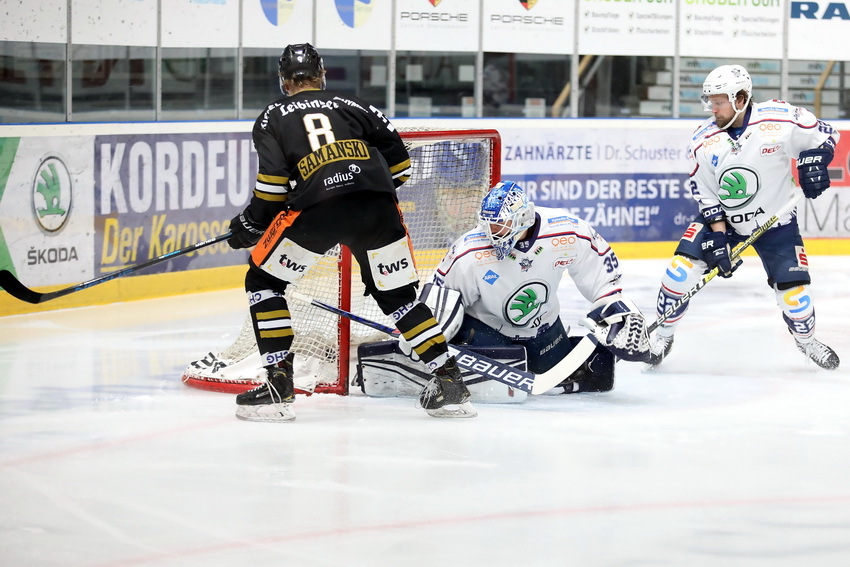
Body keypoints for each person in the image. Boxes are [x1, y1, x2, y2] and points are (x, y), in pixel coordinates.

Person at [226, 43, 475, 421]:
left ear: (283, 81)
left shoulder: (272, 116)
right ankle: (449, 380)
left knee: (263, 282)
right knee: (400, 298)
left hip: (319, 211)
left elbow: (273, 188)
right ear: (322, 76)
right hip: (377, 208)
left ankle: (278, 386)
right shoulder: (355, 105)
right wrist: (362, 189)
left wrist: (250, 224)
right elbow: (401, 167)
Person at [373, 180, 651, 397]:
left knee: (571, 377)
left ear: (523, 218)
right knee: (490, 385)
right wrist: (423, 335)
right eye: (489, 224)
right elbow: (441, 295)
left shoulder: (566, 232)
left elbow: (599, 268)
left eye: (501, 225)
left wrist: (613, 308)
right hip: (486, 333)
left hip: (544, 330)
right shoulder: (470, 251)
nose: (493, 232)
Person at [648, 64, 840, 370]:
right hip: (725, 221)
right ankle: (663, 336)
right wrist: (718, 236)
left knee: (797, 301)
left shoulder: (778, 119)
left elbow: (827, 135)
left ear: (740, 99)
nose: (713, 108)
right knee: (678, 274)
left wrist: (816, 159)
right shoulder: (702, 140)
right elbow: (706, 193)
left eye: (719, 101)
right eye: (710, 101)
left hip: (776, 224)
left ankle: (807, 341)